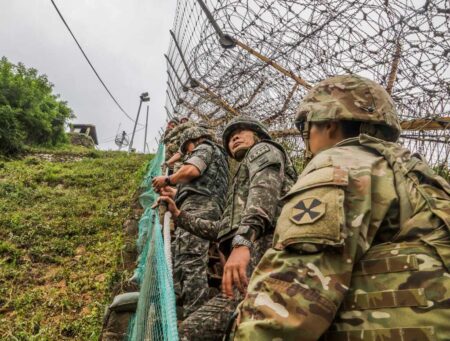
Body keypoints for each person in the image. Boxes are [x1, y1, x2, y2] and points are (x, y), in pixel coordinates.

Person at [232, 75, 450, 340]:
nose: (307, 139)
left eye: (307, 128)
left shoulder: (341, 164)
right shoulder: (421, 175)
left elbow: (293, 297)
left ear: (330, 124)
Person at [159, 116, 297, 340]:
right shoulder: (240, 180)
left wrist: (243, 242)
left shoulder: (263, 150)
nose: (234, 137)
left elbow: (264, 196)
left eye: (242, 131)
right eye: (231, 136)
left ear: (259, 135)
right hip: (250, 275)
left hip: (266, 262)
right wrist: (179, 215)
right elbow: (220, 230)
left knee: (185, 334)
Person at [153, 126, 229, 319]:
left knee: (191, 260)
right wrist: (171, 192)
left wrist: (168, 179)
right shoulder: (217, 158)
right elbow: (195, 188)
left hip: (200, 208)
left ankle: (194, 319)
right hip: (202, 206)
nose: (188, 153)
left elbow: (192, 170)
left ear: (192, 141)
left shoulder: (205, 147)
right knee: (186, 259)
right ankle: (187, 311)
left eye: (187, 149)